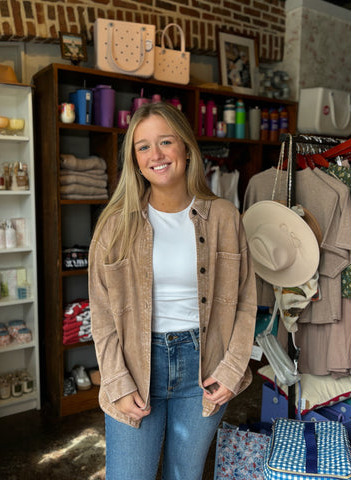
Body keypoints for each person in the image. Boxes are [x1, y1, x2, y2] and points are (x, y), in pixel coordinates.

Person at [88, 101, 257, 480]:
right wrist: (116, 380)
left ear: (185, 147)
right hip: (136, 367)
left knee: (185, 475)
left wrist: (231, 370)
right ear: (133, 158)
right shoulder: (115, 226)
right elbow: (101, 313)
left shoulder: (225, 217)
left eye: (165, 141)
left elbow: (246, 300)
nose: (156, 155)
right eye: (143, 146)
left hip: (204, 368)